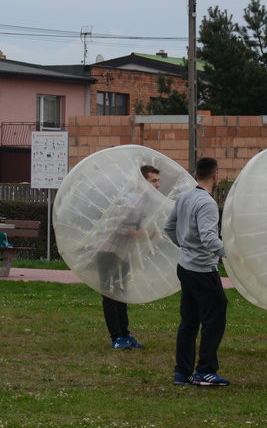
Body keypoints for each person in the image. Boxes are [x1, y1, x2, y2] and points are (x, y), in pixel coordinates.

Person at [165, 157, 229, 386]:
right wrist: (229, 252)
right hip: (202, 269)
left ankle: (182, 372)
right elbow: (209, 237)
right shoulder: (207, 203)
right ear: (215, 175)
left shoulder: (183, 197)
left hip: (185, 266)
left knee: (189, 320)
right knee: (215, 316)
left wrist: (184, 245)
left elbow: (168, 227)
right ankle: (205, 370)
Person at [98, 165, 161, 350]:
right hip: (109, 253)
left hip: (123, 255)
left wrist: (149, 232)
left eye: (158, 181)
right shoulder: (128, 200)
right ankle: (116, 337)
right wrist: (140, 232)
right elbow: (116, 225)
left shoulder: (143, 202)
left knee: (121, 294)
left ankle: (125, 334)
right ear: (143, 182)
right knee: (111, 295)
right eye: (153, 181)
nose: (157, 185)